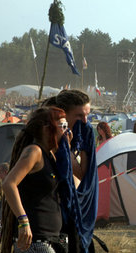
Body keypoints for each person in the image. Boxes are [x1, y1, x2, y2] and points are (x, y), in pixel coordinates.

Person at [0, 107, 69, 253]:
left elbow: (75, 181)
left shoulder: (50, 155)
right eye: (63, 126)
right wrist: (23, 222)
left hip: (49, 240)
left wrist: (67, 150)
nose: (66, 131)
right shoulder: (34, 152)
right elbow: (8, 183)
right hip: (35, 243)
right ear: (46, 129)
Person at [41, 89, 98, 253]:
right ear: (64, 114)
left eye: (87, 115)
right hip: (49, 215)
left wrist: (85, 146)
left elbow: (82, 173)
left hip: (69, 213)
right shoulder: (46, 138)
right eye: (79, 116)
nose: (85, 121)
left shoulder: (75, 135)